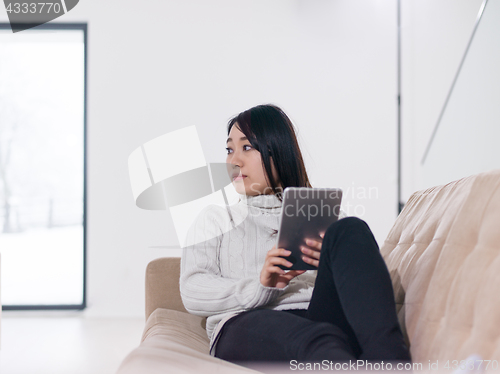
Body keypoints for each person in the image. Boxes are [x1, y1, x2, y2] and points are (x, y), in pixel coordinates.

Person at [179, 104, 411, 368]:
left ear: (277, 150)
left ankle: (391, 362)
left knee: (351, 228)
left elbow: (365, 280)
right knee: (319, 341)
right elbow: (192, 291)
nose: (234, 161)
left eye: (246, 147)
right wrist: (260, 286)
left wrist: (331, 263)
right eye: (229, 149)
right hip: (245, 322)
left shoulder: (322, 215)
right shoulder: (214, 218)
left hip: (319, 317)